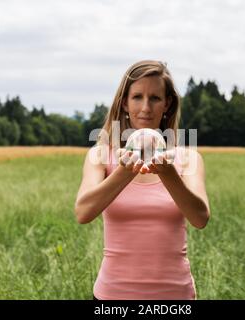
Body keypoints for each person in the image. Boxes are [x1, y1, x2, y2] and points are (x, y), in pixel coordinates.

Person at [74, 60, 210, 300]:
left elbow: (200, 218)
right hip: (112, 296)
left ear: (167, 104)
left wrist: (168, 174)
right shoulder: (100, 156)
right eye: (137, 97)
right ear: (125, 102)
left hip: (175, 296)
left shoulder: (188, 159)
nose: (146, 107)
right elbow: (83, 212)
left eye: (155, 98)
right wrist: (124, 172)